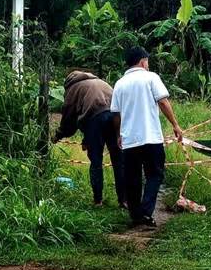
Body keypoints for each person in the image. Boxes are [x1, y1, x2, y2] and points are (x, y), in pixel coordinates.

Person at [111, 47, 183, 227]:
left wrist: (119, 134)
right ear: (143, 61)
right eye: (147, 61)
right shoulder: (151, 78)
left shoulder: (120, 83)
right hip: (151, 138)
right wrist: (175, 124)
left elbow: (116, 114)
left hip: (129, 140)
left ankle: (136, 215)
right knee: (155, 174)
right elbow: (163, 101)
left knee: (132, 178)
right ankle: (146, 211)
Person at [53, 70, 125, 207]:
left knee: (96, 161)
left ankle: (98, 200)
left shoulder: (73, 88)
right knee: (118, 159)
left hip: (95, 119)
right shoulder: (100, 82)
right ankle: (124, 200)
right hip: (116, 117)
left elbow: (69, 119)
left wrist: (58, 135)